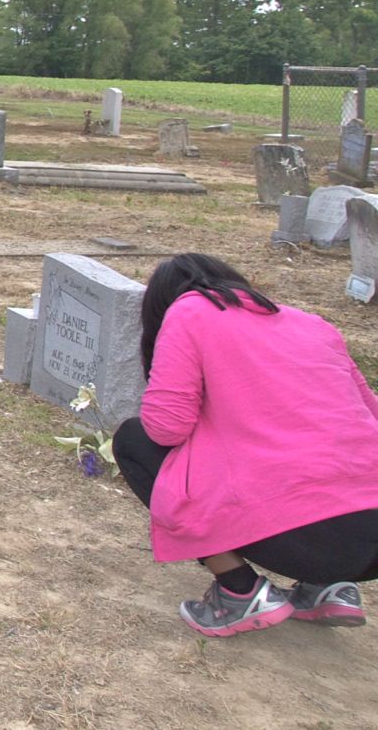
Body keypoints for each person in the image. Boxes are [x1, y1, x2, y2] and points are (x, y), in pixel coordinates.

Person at [112, 253, 378, 638]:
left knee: (135, 440)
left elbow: (166, 429)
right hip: (369, 526)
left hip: (309, 532)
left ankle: (239, 590)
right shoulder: (312, 323)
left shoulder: (191, 311)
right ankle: (330, 587)